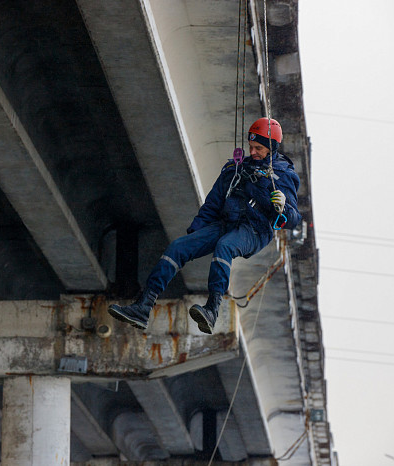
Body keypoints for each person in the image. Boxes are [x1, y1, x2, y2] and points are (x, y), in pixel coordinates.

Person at [107, 117, 302, 334]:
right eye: (251, 146)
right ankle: (143, 306)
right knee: (178, 247)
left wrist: (283, 207)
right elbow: (213, 203)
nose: (253, 151)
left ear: (271, 148)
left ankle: (212, 310)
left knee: (225, 246)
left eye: (258, 148)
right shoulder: (236, 168)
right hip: (226, 222)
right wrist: (196, 234)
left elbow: (293, 218)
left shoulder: (283, 175)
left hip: (254, 230)